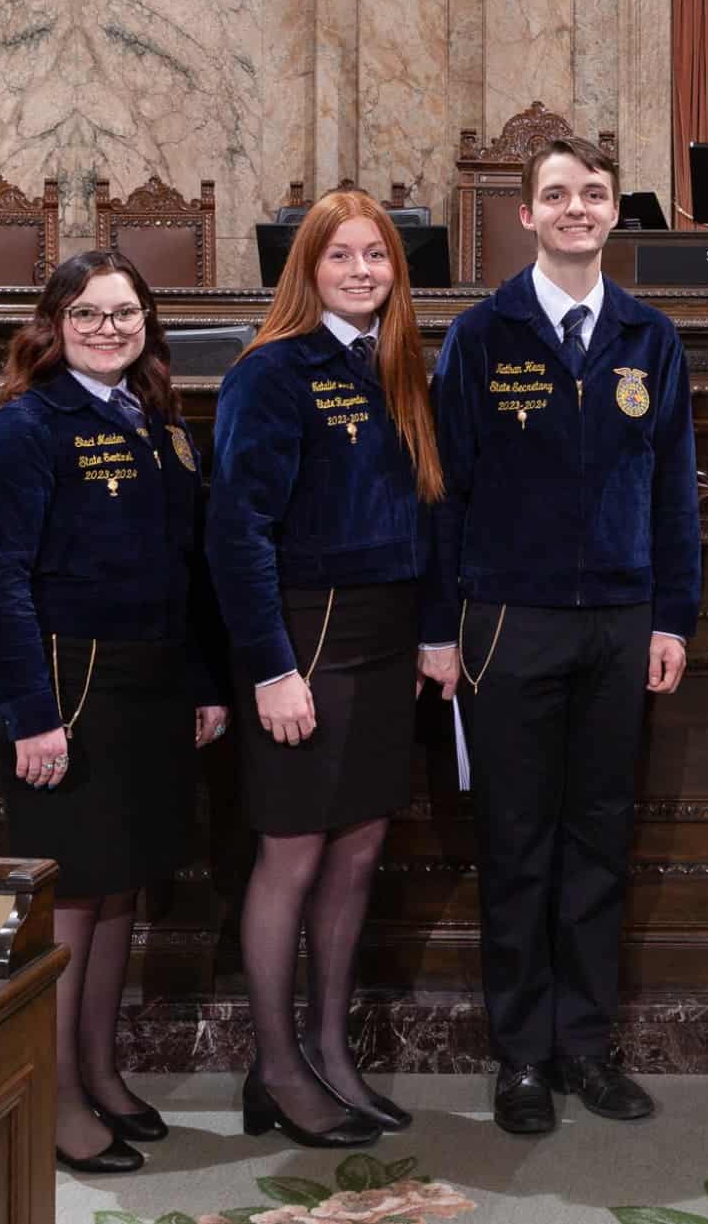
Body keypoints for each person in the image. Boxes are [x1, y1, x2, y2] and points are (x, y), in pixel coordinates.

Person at [431, 136, 701, 1136]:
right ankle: (522, 1060)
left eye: (593, 193)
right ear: (527, 216)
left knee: (597, 842)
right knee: (515, 845)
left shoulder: (649, 338)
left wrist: (672, 614)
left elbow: (676, 493)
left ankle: (586, 1048)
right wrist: (439, 628)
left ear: (612, 213)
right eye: (557, 195)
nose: (577, 209)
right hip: (506, 623)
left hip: (620, 625)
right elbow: (446, 493)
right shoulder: (480, 335)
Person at [0, 250, 230, 1174]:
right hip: (66, 689)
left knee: (120, 887)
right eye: (88, 313)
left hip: (151, 686)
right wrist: (28, 713)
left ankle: (102, 1068)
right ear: (52, 324)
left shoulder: (163, 425)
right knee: (74, 894)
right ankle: (58, 1094)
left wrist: (202, 680)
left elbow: (186, 571)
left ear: (149, 324)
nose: (109, 328)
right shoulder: (24, 428)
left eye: (126, 313)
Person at [208, 189, 458, 1149]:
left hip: (386, 635)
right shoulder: (271, 372)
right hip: (303, 638)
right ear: (305, 270)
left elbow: (429, 516)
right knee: (293, 852)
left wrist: (434, 628)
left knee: (358, 852)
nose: (363, 272)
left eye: (379, 256)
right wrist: (271, 667)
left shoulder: (398, 366)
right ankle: (273, 1067)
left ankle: (330, 1051)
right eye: (342, 257)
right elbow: (237, 533)